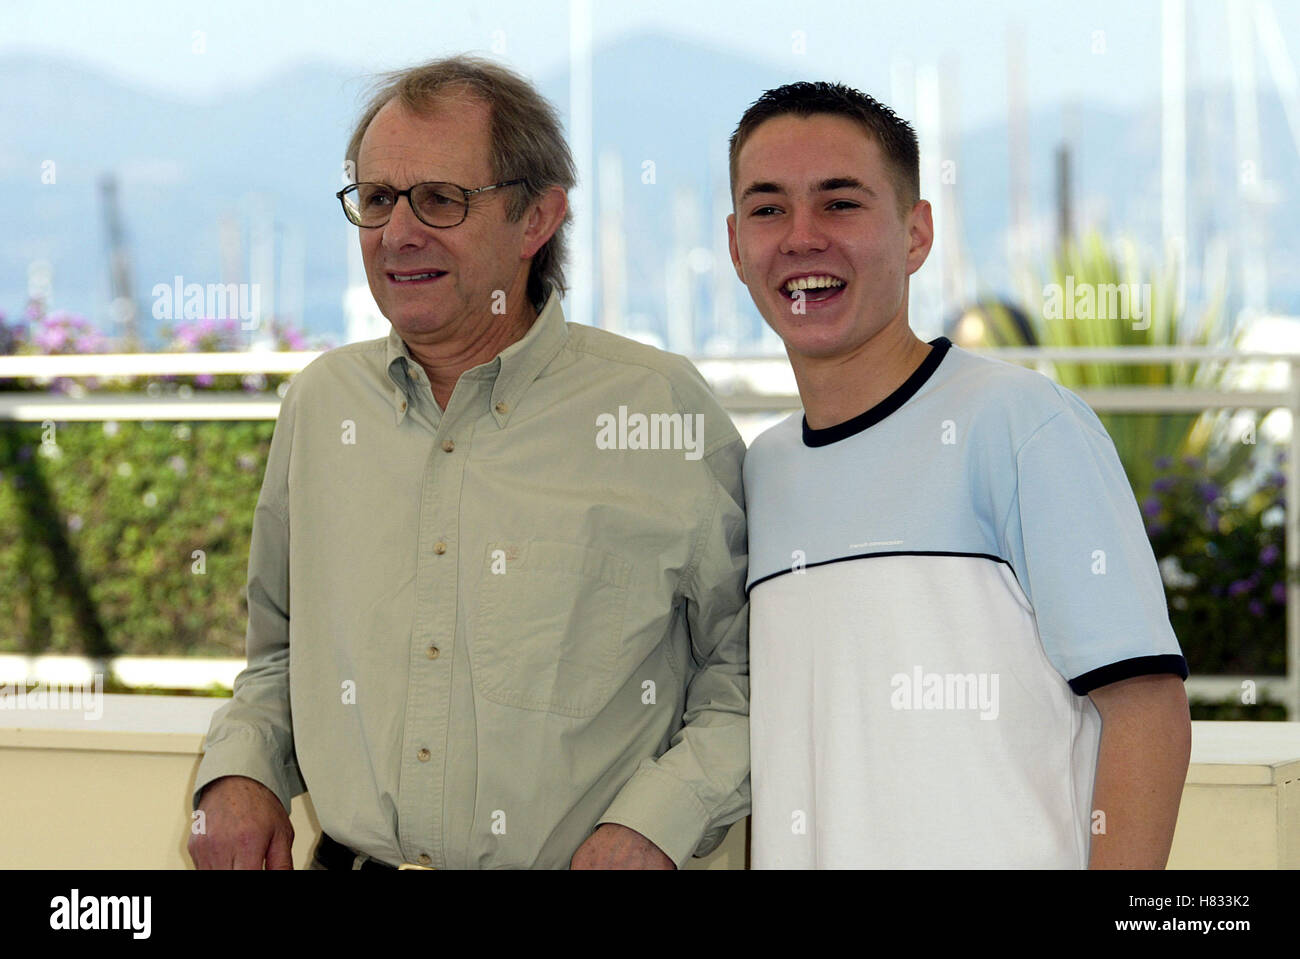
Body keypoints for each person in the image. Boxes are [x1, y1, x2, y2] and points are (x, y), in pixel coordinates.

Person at [188, 55, 750, 870]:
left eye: (441, 200)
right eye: (377, 198)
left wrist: (654, 825)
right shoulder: (322, 406)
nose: (398, 231)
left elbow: (746, 671)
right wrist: (240, 770)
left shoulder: (656, 409)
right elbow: (279, 655)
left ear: (537, 220)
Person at [727, 81, 1191, 868]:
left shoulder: (1021, 425)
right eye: (769, 209)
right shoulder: (758, 471)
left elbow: (1146, 710)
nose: (802, 237)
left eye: (841, 203)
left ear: (916, 234)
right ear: (737, 245)